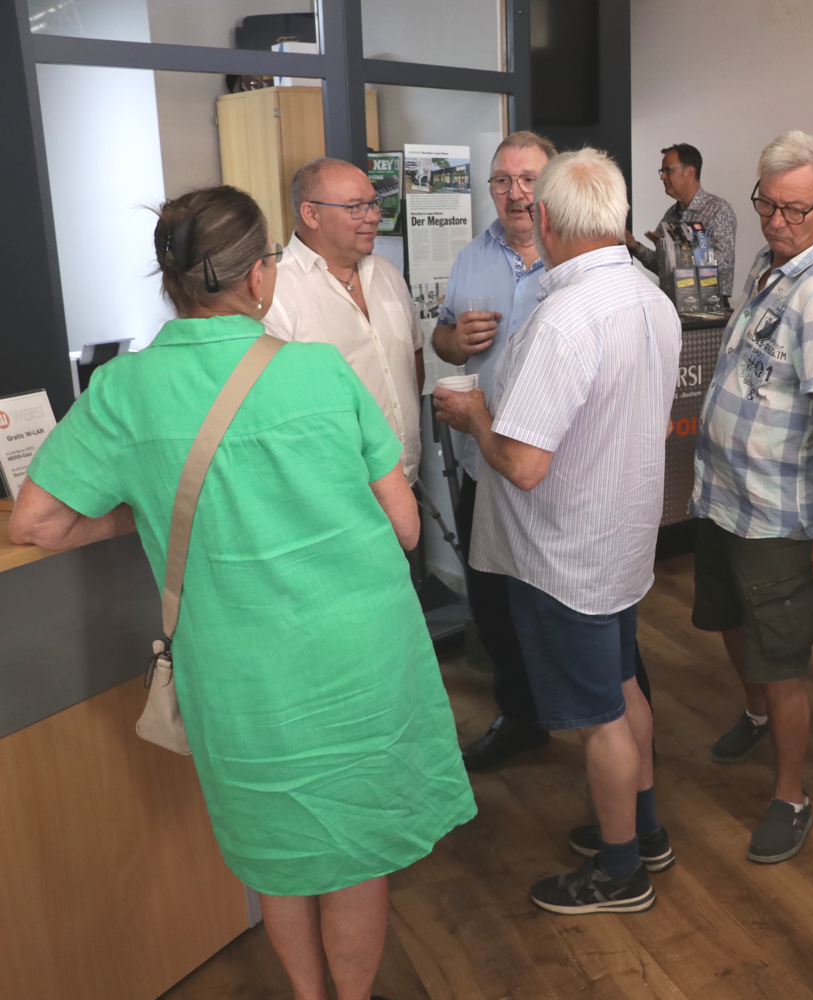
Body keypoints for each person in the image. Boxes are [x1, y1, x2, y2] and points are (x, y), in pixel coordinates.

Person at [9, 186, 476, 1000]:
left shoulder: (124, 388)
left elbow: (37, 523)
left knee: (278, 852)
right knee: (356, 857)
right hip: (359, 658)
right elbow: (406, 528)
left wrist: (145, 507)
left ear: (172, 280)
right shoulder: (319, 370)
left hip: (239, 670)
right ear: (260, 275)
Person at [432, 148, 680, 914]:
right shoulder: (650, 297)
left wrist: (474, 415)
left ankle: (619, 871)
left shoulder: (565, 318)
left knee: (598, 720)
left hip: (564, 552)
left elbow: (522, 463)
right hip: (620, 538)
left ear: (545, 217)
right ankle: (642, 829)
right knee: (624, 687)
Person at [691, 130, 813, 864]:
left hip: (777, 514)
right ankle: (755, 712)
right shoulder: (770, 264)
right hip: (725, 496)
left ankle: (791, 797)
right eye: (768, 205)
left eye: (796, 210)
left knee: (783, 656)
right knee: (728, 618)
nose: (778, 222)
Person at [431, 130, 556, 770]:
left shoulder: (574, 258)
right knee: (492, 603)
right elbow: (441, 338)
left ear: (551, 184)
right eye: (502, 181)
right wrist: (456, 340)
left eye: (529, 179)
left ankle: (605, 719)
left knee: (571, 604)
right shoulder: (471, 257)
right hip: (486, 460)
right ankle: (522, 714)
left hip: (555, 470)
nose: (515, 193)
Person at [263, 157, 425, 484]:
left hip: (406, 481)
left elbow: (413, 361)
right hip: (335, 493)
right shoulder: (276, 290)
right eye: (356, 207)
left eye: (374, 204)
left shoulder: (388, 274)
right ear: (311, 214)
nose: (374, 216)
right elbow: (274, 409)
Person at [626, 142, 738, 304]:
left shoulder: (718, 209)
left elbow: (723, 263)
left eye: (668, 170)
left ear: (689, 172)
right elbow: (663, 268)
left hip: (709, 307)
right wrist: (635, 246)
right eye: (662, 171)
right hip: (674, 306)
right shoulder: (671, 214)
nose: (662, 177)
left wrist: (677, 250)